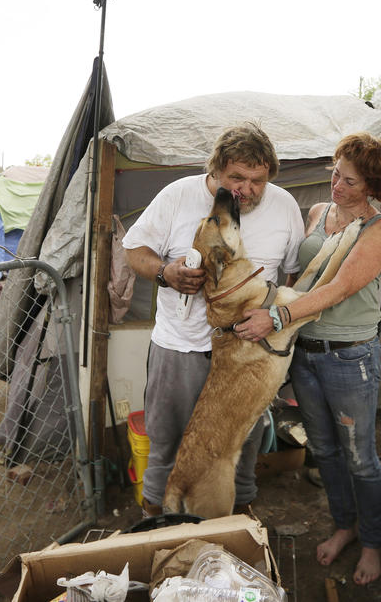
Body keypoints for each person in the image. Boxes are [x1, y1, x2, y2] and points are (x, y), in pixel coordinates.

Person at [235, 132, 381, 586]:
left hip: (350, 358)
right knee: (324, 450)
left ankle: (372, 543)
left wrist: (277, 317)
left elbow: (339, 288)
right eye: (334, 174)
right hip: (305, 353)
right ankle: (345, 527)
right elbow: (297, 276)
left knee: (360, 458)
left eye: (348, 181)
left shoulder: (379, 226)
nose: (336, 186)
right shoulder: (318, 213)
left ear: (371, 185)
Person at [121, 123, 304, 518]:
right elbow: (133, 251)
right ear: (217, 170)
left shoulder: (285, 207)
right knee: (167, 451)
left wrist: (273, 317)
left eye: (258, 180)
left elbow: (291, 274)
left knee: (238, 452)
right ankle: (159, 531)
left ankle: (236, 540)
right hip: (181, 349)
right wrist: (164, 272)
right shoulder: (177, 196)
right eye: (237, 177)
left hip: (247, 358)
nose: (247, 189)